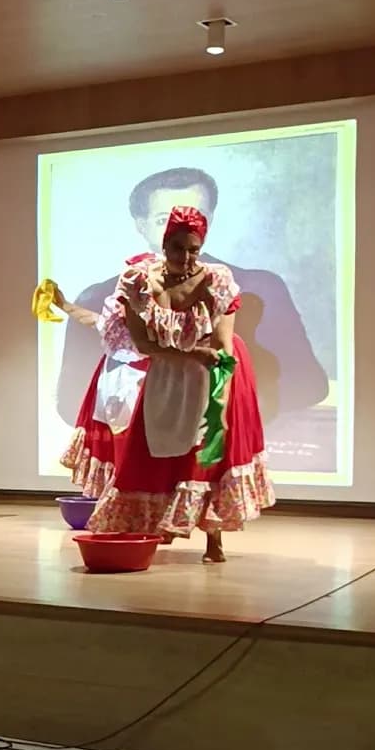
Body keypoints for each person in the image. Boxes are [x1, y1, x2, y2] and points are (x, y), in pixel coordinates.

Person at [56, 166, 328, 428]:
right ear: (141, 225)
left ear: (209, 221)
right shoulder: (99, 297)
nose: (178, 232)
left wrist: (218, 410)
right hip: (144, 455)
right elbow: (72, 402)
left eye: (192, 218)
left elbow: (308, 384)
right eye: (164, 220)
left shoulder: (257, 288)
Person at [88, 206, 274, 562]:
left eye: (193, 249)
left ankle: (213, 538)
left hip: (216, 368)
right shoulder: (139, 282)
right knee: (152, 445)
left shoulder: (215, 280)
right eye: (177, 247)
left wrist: (205, 363)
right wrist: (186, 357)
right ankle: (151, 527)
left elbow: (221, 344)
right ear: (164, 244)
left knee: (208, 452)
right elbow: (143, 344)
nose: (186, 257)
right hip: (170, 365)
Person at [54, 286, 149, 498]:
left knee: (135, 440)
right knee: (114, 439)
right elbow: (95, 320)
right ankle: (112, 499)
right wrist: (64, 305)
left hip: (141, 377)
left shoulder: (156, 312)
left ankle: (130, 496)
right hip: (114, 377)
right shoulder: (117, 309)